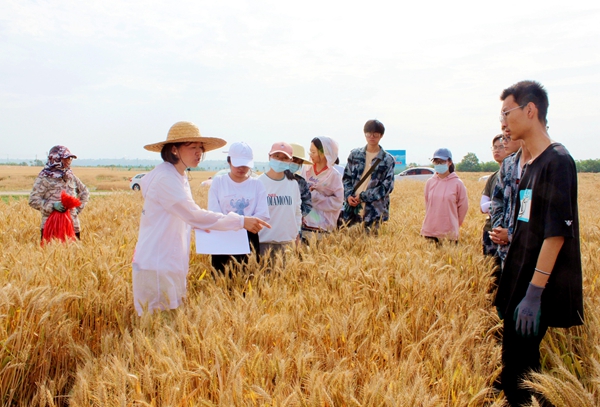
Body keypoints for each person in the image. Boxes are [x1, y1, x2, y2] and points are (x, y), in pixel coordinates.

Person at [493, 81, 583, 406]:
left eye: (506, 112)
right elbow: (530, 224)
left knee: (521, 372)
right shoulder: (530, 165)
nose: (502, 122)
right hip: (520, 279)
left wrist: (534, 293)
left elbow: (556, 233)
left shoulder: (558, 162)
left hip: (537, 286)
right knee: (518, 366)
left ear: (530, 110)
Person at [132, 121, 270, 315]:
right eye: (192, 147)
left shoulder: (177, 175)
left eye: (201, 148)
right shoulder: (166, 178)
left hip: (167, 260)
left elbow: (190, 217)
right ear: (174, 149)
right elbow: (194, 214)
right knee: (157, 322)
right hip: (157, 263)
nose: (199, 153)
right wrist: (240, 221)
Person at [208, 142, 270, 275]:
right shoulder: (219, 182)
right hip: (222, 237)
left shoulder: (257, 184)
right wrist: (241, 221)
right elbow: (213, 213)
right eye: (237, 164)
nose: (241, 168)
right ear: (229, 161)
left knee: (248, 280)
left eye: (245, 164)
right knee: (221, 280)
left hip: (248, 238)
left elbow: (263, 214)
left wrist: (245, 223)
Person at [341, 119, 395, 230]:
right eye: (368, 133)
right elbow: (346, 178)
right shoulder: (355, 155)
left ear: (381, 136)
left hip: (375, 212)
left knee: (374, 244)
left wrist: (363, 197)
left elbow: (387, 187)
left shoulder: (387, 159)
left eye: (375, 134)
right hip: (352, 210)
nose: (372, 137)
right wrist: (349, 196)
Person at [489, 127, 532, 268]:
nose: (504, 142)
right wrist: (498, 228)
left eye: (508, 138)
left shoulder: (537, 165)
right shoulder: (508, 164)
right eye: (503, 139)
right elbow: (497, 200)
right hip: (505, 252)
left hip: (528, 250)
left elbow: (529, 210)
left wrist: (511, 234)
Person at [29, 145, 90, 241]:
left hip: (73, 226)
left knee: (73, 254)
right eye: (65, 158)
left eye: (70, 159)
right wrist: (53, 206)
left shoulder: (70, 176)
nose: (68, 161)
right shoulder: (44, 177)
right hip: (51, 226)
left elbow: (84, 192)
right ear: (56, 159)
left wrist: (77, 208)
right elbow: (33, 200)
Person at [258, 142, 302, 260]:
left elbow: (297, 212)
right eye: (276, 156)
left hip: (288, 243)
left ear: (290, 160)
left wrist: (297, 235)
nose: (280, 160)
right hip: (264, 243)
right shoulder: (258, 183)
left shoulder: (293, 184)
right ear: (269, 157)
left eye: (284, 158)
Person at [420, 148, 468, 244]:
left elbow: (463, 207)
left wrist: (454, 224)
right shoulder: (430, 182)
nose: (439, 165)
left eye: (442, 162)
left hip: (449, 233)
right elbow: (427, 204)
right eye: (436, 162)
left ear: (449, 162)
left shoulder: (457, 184)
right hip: (429, 230)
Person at [300, 136, 344, 234]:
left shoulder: (334, 175)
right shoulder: (306, 169)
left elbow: (338, 202)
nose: (310, 155)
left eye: (313, 152)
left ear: (324, 153)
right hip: (305, 224)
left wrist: (316, 197)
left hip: (323, 226)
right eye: (310, 151)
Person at [480, 135, 508, 283]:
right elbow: (482, 206)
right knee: (492, 275)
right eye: (494, 147)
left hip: (508, 234)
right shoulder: (493, 177)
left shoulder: (518, 174)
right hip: (491, 231)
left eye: (501, 147)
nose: (497, 150)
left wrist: (492, 205)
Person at [287, 143, 313, 218]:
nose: (296, 164)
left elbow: (308, 204)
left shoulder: (301, 182)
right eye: (294, 160)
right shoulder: (273, 179)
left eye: (299, 162)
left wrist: (297, 214)